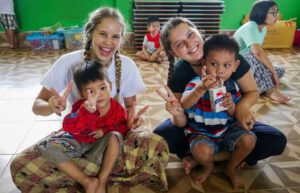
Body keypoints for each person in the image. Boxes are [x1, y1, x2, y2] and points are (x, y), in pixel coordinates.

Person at [10, 7, 169, 192]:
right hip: (77, 139)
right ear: (90, 32)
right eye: (103, 34)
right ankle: (98, 178)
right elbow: (37, 106)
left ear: (121, 38)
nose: (108, 42)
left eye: (115, 36)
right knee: (19, 166)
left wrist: (131, 121)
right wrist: (51, 106)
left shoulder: (127, 65)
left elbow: (130, 106)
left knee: (158, 146)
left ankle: (91, 177)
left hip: (111, 138)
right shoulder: (67, 62)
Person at [154, 17, 286, 167]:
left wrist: (241, 109)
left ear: (198, 31)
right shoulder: (180, 71)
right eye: (179, 44)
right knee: (162, 136)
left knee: (276, 139)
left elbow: (252, 91)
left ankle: (206, 157)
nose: (189, 44)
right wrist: (175, 111)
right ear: (172, 52)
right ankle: (227, 155)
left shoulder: (228, 54)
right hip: (198, 127)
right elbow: (180, 112)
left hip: (229, 122)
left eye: (190, 34)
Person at [36, 61, 142, 193]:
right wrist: (86, 113)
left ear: (110, 86)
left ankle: (102, 179)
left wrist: (109, 130)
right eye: (91, 91)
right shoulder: (80, 107)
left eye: (103, 88)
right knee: (46, 146)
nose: (99, 94)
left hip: (98, 148)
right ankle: (87, 181)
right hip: (77, 144)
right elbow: (68, 127)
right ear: (82, 94)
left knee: (115, 136)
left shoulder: (117, 109)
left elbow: (122, 128)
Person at [181, 34, 256, 189]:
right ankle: (207, 166)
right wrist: (201, 89)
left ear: (235, 66)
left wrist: (232, 108)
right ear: (204, 62)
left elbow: (235, 115)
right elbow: (184, 105)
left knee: (249, 141)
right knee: (201, 153)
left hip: (227, 130)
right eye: (214, 64)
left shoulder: (233, 86)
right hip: (201, 132)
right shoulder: (197, 84)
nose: (220, 70)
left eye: (226, 65)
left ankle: (230, 168)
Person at [233, 0, 290, 103]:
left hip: (248, 64)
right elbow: (257, 53)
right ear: (261, 12)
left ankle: (256, 84)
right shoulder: (250, 26)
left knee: (279, 70)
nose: (276, 16)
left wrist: (273, 71)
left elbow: (259, 54)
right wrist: (273, 73)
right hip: (235, 65)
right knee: (253, 55)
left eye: (277, 12)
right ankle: (269, 90)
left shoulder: (263, 29)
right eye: (273, 12)